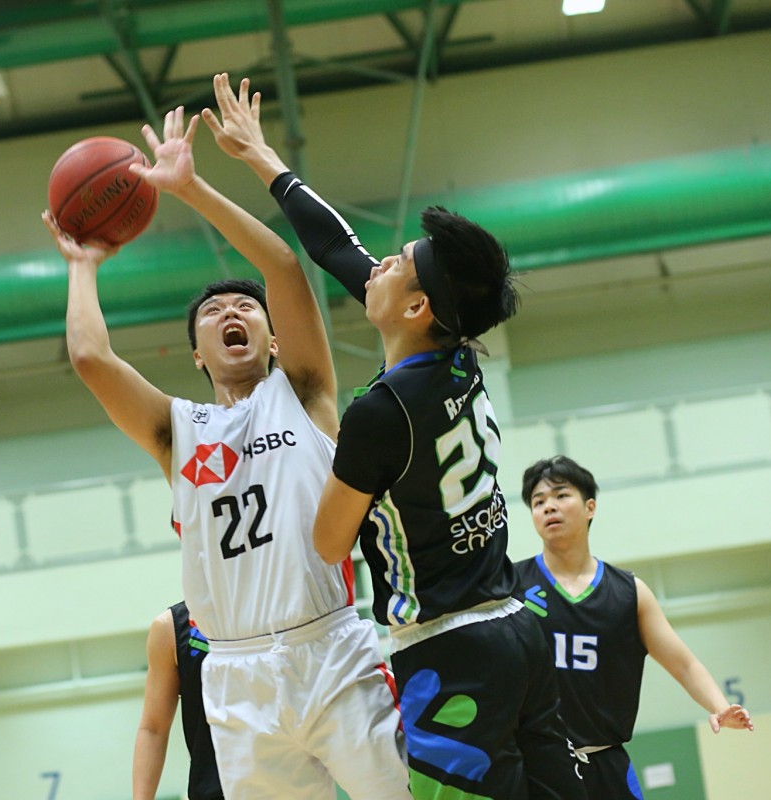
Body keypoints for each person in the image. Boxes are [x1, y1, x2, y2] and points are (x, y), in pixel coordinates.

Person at [203, 73, 583, 799]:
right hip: (517, 627)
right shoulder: (456, 355)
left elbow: (327, 542)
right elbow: (335, 247)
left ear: (415, 306)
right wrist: (260, 158)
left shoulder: (380, 413)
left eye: (399, 261)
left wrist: (291, 458)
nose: (377, 262)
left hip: (451, 651)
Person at [45, 105, 408, 799]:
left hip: (331, 651)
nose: (231, 314)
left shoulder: (303, 392)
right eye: (213, 313)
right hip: (237, 677)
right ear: (196, 354)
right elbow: (90, 357)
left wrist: (190, 189)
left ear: (274, 340)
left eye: (246, 309)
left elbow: (282, 265)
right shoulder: (175, 429)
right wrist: (83, 266)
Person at [514, 455, 754, 798]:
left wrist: (719, 706)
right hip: (537, 768)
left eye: (561, 495)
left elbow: (684, 664)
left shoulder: (629, 593)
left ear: (590, 507)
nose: (549, 507)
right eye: (538, 502)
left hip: (607, 764)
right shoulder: (511, 587)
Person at [132, 601, 221, 800]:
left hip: (283, 783)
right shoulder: (171, 627)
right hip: (213, 789)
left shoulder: (277, 610)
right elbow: (153, 728)